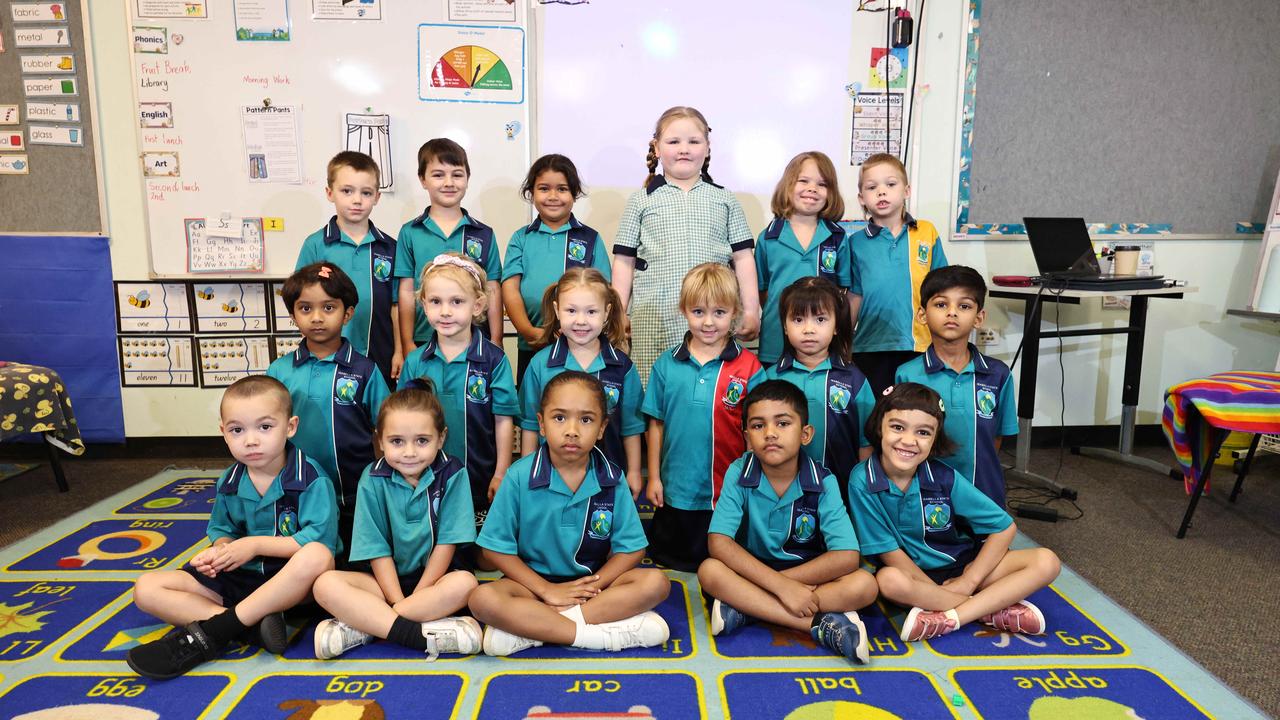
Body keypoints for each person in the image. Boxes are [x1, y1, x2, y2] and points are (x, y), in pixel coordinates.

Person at [128, 375, 337, 679]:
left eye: (265, 427)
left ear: (290, 427)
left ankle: (222, 628)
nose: (250, 440)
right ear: (223, 433)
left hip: (290, 582)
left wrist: (252, 545)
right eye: (237, 430)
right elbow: (222, 529)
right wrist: (220, 552)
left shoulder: (311, 478)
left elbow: (318, 539)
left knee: (317, 554)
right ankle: (252, 627)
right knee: (146, 589)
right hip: (242, 577)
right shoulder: (229, 481)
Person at [469, 371, 671, 656]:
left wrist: (591, 587)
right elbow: (493, 550)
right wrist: (546, 590)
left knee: (655, 583)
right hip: (532, 586)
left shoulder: (612, 478)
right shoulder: (518, 476)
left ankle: (536, 631)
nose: (572, 430)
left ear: (602, 428)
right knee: (483, 599)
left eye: (586, 420)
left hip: (592, 587)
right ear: (541, 423)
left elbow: (633, 550)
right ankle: (595, 636)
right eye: (560, 418)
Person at [847, 383, 1060, 642]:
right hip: (911, 575)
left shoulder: (944, 477)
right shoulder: (862, 479)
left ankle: (953, 616)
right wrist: (932, 588)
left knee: (1046, 561)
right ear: (879, 426)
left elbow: (1004, 527)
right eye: (897, 427)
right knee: (888, 581)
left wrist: (969, 580)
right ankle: (988, 608)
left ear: (935, 438)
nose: (908, 440)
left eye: (923, 432)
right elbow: (889, 554)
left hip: (964, 566)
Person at [697, 380, 877, 664]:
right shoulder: (737, 471)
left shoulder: (824, 481)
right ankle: (817, 625)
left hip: (806, 575)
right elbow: (718, 543)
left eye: (782, 423)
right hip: (754, 570)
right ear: (746, 437)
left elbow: (846, 556)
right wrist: (781, 589)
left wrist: (786, 585)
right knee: (709, 571)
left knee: (865, 585)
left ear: (805, 434)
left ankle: (747, 608)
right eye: (758, 426)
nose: (770, 433)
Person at [311, 382, 481, 660]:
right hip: (382, 584)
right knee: (325, 584)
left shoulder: (453, 473)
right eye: (397, 441)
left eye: (422, 441)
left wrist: (416, 595)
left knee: (466, 583)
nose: (409, 452)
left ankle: (367, 625)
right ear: (380, 440)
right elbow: (376, 549)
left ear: (441, 438)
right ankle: (412, 630)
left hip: (435, 582)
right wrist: (397, 600)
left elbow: (447, 543)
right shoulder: (372, 477)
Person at [611, 105, 761, 382]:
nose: (684, 149)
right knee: (655, 389)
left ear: (707, 147)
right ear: (657, 148)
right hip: (655, 315)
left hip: (713, 316)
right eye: (673, 142)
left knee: (712, 387)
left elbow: (743, 258)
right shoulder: (641, 200)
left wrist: (751, 310)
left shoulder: (725, 199)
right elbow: (624, 261)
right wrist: (617, 313)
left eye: (694, 141)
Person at [643, 262, 764, 571]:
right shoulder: (666, 365)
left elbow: (757, 431)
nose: (708, 322)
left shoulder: (749, 367)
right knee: (669, 560)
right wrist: (654, 476)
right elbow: (654, 423)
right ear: (684, 310)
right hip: (676, 487)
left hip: (727, 487)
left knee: (723, 560)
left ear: (734, 311)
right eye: (698, 312)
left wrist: (751, 479)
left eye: (719, 313)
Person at [267, 262, 389, 564]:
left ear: (347, 313)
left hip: (353, 494)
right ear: (294, 314)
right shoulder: (279, 371)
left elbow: (386, 429)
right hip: (296, 492)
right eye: (305, 309)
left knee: (355, 565)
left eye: (329, 308)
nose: (317, 318)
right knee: (304, 561)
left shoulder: (365, 371)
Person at [397, 253, 517, 537]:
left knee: (479, 552)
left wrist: (501, 472)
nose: (446, 312)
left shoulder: (494, 360)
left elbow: (503, 420)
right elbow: (401, 421)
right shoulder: (415, 361)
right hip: (424, 478)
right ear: (423, 304)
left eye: (457, 302)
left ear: (477, 305)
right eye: (436, 302)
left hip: (479, 476)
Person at [895, 266, 1017, 506]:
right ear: (922, 315)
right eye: (941, 305)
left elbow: (996, 438)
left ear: (979, 317)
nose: (952, 313)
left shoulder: (998, 375)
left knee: (989, 541)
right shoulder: (907, 374)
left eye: (964, 306)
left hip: (984, 491)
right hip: (924, 494)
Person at [518, 268, 644, 498]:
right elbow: (530, 424)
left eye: (591, 311)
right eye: (571, 310)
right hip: (550, 481)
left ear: (606, 313)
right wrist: (527, 470)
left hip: (609, 480)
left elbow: (631, 427)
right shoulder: (540, 365)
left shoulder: (622, 367)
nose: (581, 320)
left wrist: (634, 471)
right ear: (557, 310)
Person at [502, 154, 612, 383]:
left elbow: (604, 290)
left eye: (562, 189)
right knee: (533, 407)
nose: (553, 196)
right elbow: (510, 290)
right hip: (532, 343)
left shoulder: (590, 238)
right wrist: (529, 332)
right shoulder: (521, 238)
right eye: (544, 188)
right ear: (531, 193)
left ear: (574, 194)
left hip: (582, 344)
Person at [765, 277, 876, 503]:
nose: (808, 329)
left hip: (842, 492)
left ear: (836, 326)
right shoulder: (770, 379)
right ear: (785, 326)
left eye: (820, 319)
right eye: (798, 319)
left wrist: (863, 492)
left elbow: (866, 443)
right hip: (782, 493)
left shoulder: (855, 380)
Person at [295, 150, 401, 385]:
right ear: (330, 193)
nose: (356, 200)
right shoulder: (315, 245)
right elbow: (300, 301)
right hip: (327, 356)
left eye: (366, 192)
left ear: (377, 197)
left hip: (381, 355)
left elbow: (397, 305)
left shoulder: (390, 248)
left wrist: (399, 351)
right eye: (347, 191)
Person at [848, 153, 948, 394]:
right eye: (872, 187)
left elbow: (942, 290)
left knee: (917, 411)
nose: (882, 192)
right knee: (876, 417)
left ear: (906, 190)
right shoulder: (855, 243)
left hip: (920, 344)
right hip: (870, 347)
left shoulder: (927, 232)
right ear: (862, 198)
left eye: (890, 184)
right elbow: (854, 296)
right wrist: (842, 344)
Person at [394, 138, 503, 351]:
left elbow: (493, 289)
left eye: (457, 174)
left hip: (475, 341)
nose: (449, 183)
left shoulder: (483, 233)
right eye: (438, 175)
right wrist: (407, 342)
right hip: (423, 341)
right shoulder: (410, 232)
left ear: (467, 178)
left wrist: (496, 339)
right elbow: (406, 292)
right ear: (423, 179)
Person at [755, 151, 853, 365]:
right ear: (788, 186)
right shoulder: (768, 237)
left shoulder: (837, 237)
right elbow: (762, 291)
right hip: (776, 341)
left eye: (822, 184)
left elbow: (843, 291)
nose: (812, 189)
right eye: (803, 181)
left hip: (822, 345)